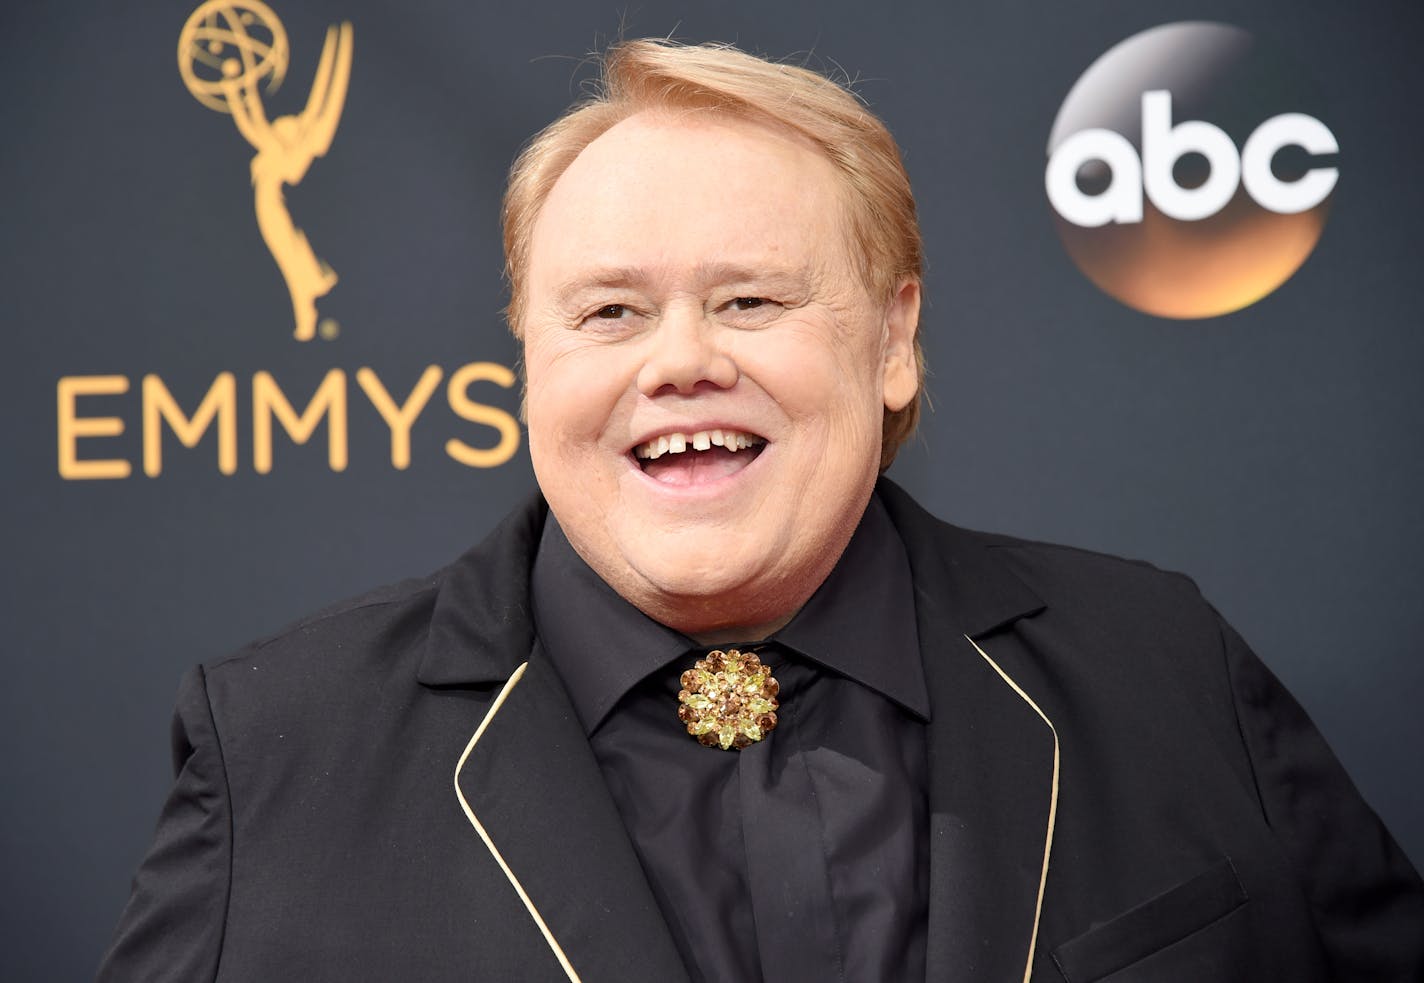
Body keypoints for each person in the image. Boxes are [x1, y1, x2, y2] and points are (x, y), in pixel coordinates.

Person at [99, 39, 1423, 982]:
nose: (680, 359)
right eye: (609, 310)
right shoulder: (280, 748)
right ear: (526, 360)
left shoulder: (1162, 663)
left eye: (749, 300)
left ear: (893, 341)